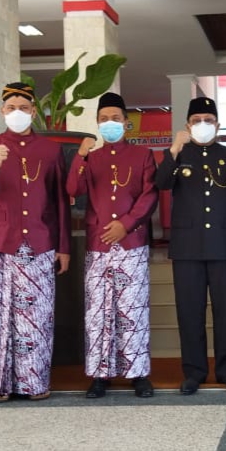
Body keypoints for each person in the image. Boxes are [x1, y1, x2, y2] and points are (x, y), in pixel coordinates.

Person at [0, 82, 69, 402]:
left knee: (38, 315)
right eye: (11, 108)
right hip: (0, 243)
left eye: (24, 108)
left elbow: (59, 202)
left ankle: (34, 383)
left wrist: (64, 246)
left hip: (40, 242)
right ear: (2, 111)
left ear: (34, 112)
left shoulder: (51, 150)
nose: (17, 113)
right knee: (1, 316)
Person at [156, 96, 226, 395]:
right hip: (187, 247)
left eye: (208, 121)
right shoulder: (178, 155)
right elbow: (161, 184)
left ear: (218, 126)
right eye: (197, 121)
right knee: (190, 311)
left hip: (224, 245)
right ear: (187, 125)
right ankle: (194, 371)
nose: (203, 126)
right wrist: (173, 149)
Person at [66, 92, 158, 398]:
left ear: (126, 123)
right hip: (98, 244)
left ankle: (138, 374)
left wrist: (126, 224)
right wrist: (80, 155)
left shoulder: (142, 155)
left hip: (131, 242)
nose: (110, 124)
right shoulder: (91, 158)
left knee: (132, 309)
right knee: (98, 312)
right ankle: (99, 375)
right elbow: (73, 189)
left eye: (115, 119)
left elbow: (149, 196)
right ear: (97, 123)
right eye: (104, 119)